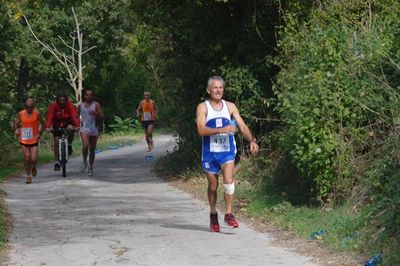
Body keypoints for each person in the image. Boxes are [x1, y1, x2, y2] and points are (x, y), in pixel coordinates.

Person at [196, 76, 259, 232]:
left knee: (229, 181)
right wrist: (222, 129)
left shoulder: (230, 106)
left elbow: (242, 125)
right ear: (209, 90)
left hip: (227, 152)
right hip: (210, 153)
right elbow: (201, 130)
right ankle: (213, 214)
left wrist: (252, 140)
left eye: (221, 88)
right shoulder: (203, 108)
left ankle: (229, 214)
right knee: (213, 186)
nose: (218, 90)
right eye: (215, 88)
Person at [14, 98, 45, 184]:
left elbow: (44, 124)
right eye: (27, 107)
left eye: (31, 107)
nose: (29, 108)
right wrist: (16, 130)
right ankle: (28, 176)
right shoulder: (21, 114)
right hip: (24, 139)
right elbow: (16, 125)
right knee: (27, 158)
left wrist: (39, 133)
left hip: (34, 138)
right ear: (25, 106)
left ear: (33, 106)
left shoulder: (37, 113)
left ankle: (34, 166)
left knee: (33, 159)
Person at [45, 92, 80, 171]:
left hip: (68, 122)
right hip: (57, 124)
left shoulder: (70, 105)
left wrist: (77, 126)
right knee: (56, 141)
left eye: (64, 100)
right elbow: (50, 116)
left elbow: (74, 116)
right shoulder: (53, 106)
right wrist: (47, 127)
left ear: (66, 100)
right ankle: (57, 162)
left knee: (70, 128)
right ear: (57, 101)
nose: (62, 102)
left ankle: (69, 144)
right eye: (60, 100)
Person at [78, 88, 104, 176]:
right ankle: (84, 161)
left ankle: (90, 167)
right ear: (84, 96)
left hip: (93, 129)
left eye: (90, 95)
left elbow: (102, 116)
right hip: (84, 128)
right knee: (85, 145)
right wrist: (77, 122)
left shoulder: (96, 105)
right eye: (87, 95)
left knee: (92, 150)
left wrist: (96, 113)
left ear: (93, 96)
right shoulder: (80, 105)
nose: (88, 96)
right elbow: (76, 115)